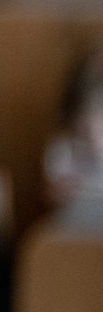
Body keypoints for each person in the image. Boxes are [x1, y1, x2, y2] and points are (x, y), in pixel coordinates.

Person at [45, 48, 103, 210]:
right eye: (83, 134)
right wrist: (58, 194)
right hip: (75, 224)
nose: (95, 144)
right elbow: (54, 197)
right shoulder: (62, 152)